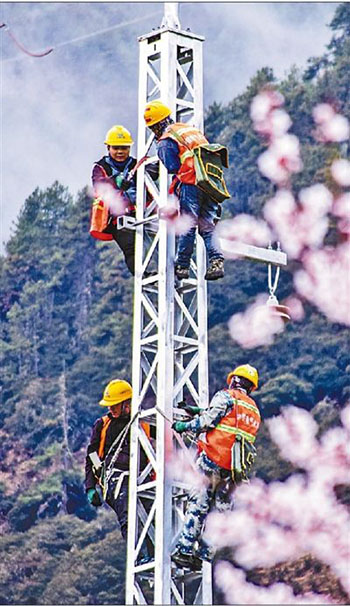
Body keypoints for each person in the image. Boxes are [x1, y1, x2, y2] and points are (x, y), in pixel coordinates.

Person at [171, 364, 261, 569]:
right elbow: (229, 420)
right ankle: (205, 553)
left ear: (233, 381)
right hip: (233, 472)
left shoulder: (226, 396)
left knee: (199, 504)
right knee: (220, 513)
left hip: (212, 460)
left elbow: (208, 422)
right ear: (251, 387)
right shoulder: (254, 411)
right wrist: (198, 411)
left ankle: (184, 550)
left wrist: (185, 425)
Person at [144, 100, 225, 281]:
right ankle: (216, 261)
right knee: (208, 226)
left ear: (156, 126)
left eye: (153, 128)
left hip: (191, 182)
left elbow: (172, 166)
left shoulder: (165, 141)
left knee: (187, 223)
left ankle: (182, 266)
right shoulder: (188, 129)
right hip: (211, 182)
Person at [90, 125, 138, 275]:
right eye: (116, 148)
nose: (120, 152)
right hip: (115, 217)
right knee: (130, 248)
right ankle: (142, 276)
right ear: (108, 148)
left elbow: (153, 175)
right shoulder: (100, 167)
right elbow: (99, 185)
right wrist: (116, 181)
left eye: (124, 148)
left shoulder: (136, 165)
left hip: (138, 211)